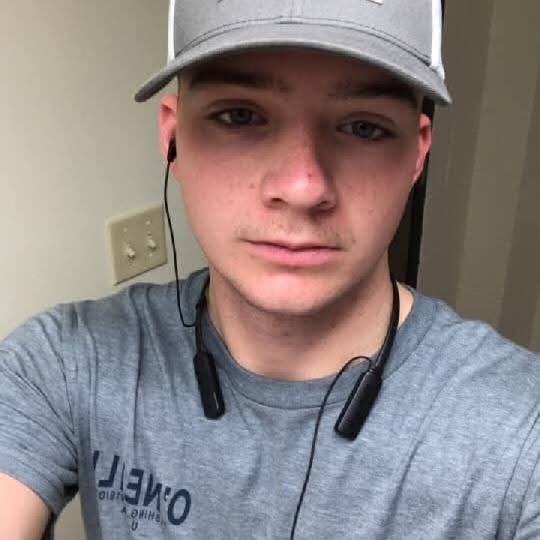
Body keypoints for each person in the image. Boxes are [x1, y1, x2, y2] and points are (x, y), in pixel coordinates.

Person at [1, 0, 540, 538]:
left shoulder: (518, 432)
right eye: (240, 116)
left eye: (363, 127)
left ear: (417, 156)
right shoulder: (63, 362)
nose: (302, 187)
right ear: (173, 139)